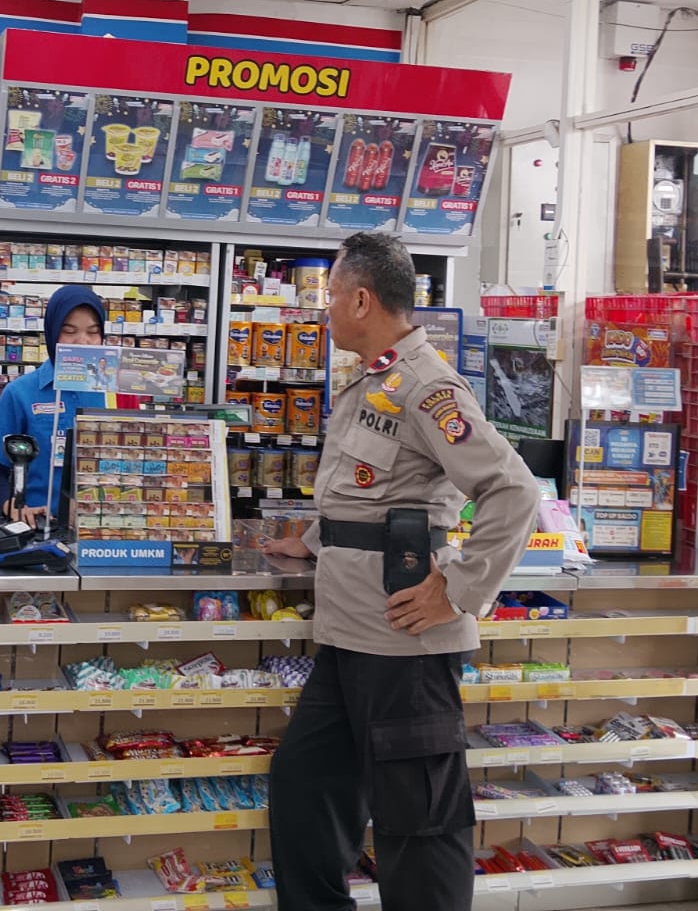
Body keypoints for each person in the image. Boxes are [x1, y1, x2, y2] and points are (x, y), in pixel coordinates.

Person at [263, 232, 539, 911]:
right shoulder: (373, 379)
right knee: (304, 789)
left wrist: (461, 589)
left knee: (418, 820)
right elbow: (371, 497)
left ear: (362, 300)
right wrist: (312, 540)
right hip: (348, 633)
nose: (325, 306)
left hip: (403, 641)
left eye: (331, 293)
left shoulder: (425, 384)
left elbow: (513, 491)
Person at [0, 285, 104, 526]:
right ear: (52, 332)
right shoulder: (21, 392)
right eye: (69, 331)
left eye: (93, 332)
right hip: (41, 527)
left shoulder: (117, 394)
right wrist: (14, 508)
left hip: (107, 531)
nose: (82, 341)